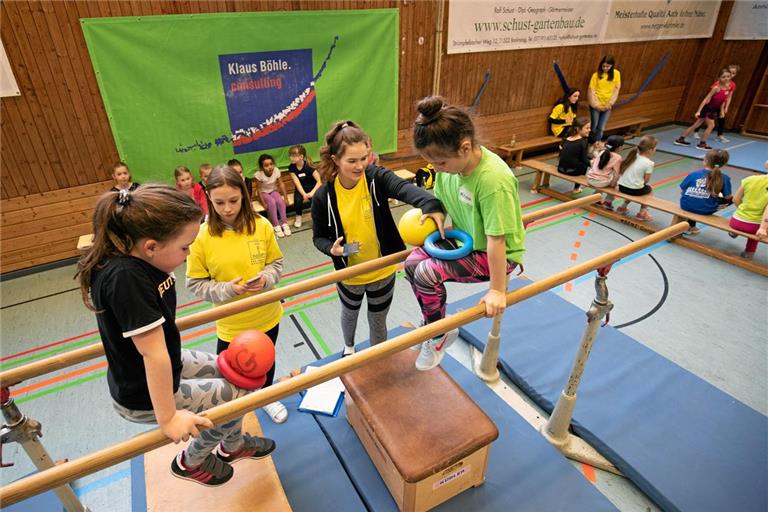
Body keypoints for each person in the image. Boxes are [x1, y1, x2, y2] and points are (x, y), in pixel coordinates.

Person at [75, 184, 275, 487]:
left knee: (232, 371)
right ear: (151, 246)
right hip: (144, 393)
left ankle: (231, 446)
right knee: (241, 395)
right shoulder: (127, 279)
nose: (190, 252)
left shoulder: (140, 259)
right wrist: (168, 418)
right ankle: (191, 462)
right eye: (185, 247)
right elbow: (152, 354)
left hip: (166, 364)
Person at [404, 96, 525, 371]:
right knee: (411, 263)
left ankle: (437, 335)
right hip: (466, 241)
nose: (436, 169)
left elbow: (497, 239)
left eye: (441, 163)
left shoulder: (494, 180)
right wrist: (435, 211)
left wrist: (497, 290)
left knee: (427, 273)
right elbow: (445, 200)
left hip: (496, 254)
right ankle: (435, 325)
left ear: (465, 147)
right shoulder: (450, 170)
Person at [311, 120, 445, 358]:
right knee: (349, 314)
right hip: (349, 274)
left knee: (378, 318)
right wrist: (331, 250)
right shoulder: (324, 196)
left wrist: (430, 203)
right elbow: (318, 237)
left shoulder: (375, 178)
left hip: (382, 269)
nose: (360, 166)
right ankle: (349, 347)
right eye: (352, 161)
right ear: (335, 159)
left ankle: (379, 355)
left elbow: (402, 188)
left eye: (364, 158)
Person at [186, 165, 289, 424]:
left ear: (243, 195)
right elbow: (195, 283)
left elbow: (276, 264)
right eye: (219, 202)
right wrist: (226, 289)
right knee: (230, 375)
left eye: (233, 200)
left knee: (265, 361)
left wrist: (266, 278)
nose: (227, 208)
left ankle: (266, 397)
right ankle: (236, 415)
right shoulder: (202, 237)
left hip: (266, 314)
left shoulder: (261, 225)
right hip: (231, 324)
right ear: (209, 198)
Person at [675, 69, 732, 151]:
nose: (726, 78)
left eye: (728, 76)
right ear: (719, 78)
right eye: (723, 77)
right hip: (708, 109)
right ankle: (702, 144)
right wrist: (698, 111)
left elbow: (723, 100)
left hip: (714, 109)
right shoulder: (716, 88)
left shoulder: (728, 88)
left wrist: (722, 111)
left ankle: (681, 139)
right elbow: (706, 100)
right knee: (711, 125)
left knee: (696, 124)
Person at [679, 149, 733, 235]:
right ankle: (690, 226)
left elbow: (682, 190)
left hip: (685, 205)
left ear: (705, 161)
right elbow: (728, 197)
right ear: (724, 164)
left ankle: (690, 225)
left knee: (694, 198)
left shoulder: (694, 174)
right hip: (706, 209)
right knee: (733, 199)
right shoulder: (724, 178)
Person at [695, 64, 739, 143]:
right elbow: (711, 95)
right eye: (730, 72)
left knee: (721, 119)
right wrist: (706, 104)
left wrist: (726, 107)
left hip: (721, 104)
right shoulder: (718, 83)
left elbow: (729, 97)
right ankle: (696, 131)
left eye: (733, 73)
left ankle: (720, 135)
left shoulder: (732, 85)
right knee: (703, 118)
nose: (731, 75)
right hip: (712, 104)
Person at [615, 136, 657, 221]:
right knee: (650, 190)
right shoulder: (649, 163)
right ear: (650, 149)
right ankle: (642, 213)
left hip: (621, 187)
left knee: (633, 185)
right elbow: (646, 180)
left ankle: (622, 207)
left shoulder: (633, 156)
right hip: (633, 190)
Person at [729, 170, 768, 259]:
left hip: (735, 222)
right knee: (760, 225)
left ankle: (734, 232)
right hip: (754, 227)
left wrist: (744, 211)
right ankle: (749, 251)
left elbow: (735, 200)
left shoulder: (750, 179)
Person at [253, 154, 291, 238]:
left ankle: (284, 223)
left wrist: (286, 198)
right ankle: (276, 225)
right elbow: (258, 189)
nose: (270, 167)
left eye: (271, 164)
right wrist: (263, 203)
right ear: (262, 167)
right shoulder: (259, 174)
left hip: (273, 191)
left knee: (280, 201)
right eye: (266, 165)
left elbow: (281, 184)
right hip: (263, 193)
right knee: (272, 202)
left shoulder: (276, 170)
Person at [287, 144, 321, 229]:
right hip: (301, 189)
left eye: (293, 156)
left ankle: (317, 218)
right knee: (297, 200)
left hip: (313, 188)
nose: (291, 158)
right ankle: (298, 217)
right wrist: (304, 194)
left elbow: (319, 181)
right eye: (290, 156)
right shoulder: (291, 168)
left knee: (315, 201)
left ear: (301, 156)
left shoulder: (309, 166)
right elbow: (297, 183)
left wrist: (312, 193)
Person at [588, 55, 621, 142]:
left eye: (608, 66)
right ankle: (591, 143)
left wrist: (610, 103)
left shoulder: (616, 74)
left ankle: (597, 144)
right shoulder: (595, 75)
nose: (605, 68)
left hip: (607, 105)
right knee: (594, 126)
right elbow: (591, 90)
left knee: (601, 127)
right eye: (603, 66)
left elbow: (616, 90)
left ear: (612, 66)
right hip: (596, 105)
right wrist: (596, 105)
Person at [587, 135, 624, 210]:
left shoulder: (602, 152)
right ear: (620, 147)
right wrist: (613, 184)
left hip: (590, 178)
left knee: (603, 177)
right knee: (616, 184)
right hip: (600, 182)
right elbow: (616, 174)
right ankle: (608, 201)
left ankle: (595, 198)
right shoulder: (617, 157)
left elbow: (593, 163)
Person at [557, 116, 592, 193]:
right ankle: (576, 188)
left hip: (560, 169)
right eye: (587, 128)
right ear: (578, 129)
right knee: (585, 164)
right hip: (573, 172)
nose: (589, 130)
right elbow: (584, 159)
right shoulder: (582, 142)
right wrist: (594, 165)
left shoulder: (567, 138)